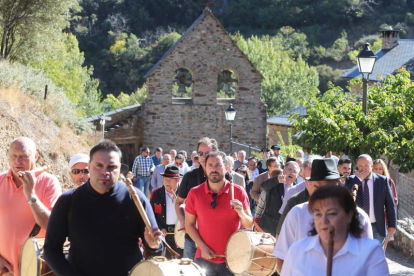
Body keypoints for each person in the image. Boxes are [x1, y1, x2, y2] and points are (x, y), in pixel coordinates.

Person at [44, 140, 163, 276]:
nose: (105, 172)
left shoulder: (136, 199)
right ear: (89, 167)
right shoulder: (68, 200)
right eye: (99, 166)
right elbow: (51, 250)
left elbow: (156, 248)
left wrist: (154, 246)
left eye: (111, 167)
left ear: (120, 168)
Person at [274, 158, 373, 274]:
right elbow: (282, 259)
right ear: (310, 186)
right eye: (317, 187)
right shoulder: (297, 215)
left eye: (328, 186)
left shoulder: (359, 218)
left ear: (339, 184)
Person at [281, 185, 389, 276]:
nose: (324, 220)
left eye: (331, 213)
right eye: (318, 214)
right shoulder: (297, 251)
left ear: (349, 215)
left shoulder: (371, 252)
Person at [0, 137, 62, 276]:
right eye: (13, 156)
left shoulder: (49, 183)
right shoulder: (0, 180)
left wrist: (31, 194)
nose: (18, 161)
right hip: (5, 270)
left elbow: (52, 225)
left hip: (36, 269)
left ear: (36, 156)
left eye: (23, 156)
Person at [185, 151, 252, 276]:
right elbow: (189, 224)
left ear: (227, 168)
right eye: (210, 165)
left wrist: (241, 212)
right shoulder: (194, 193)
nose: (213, 169)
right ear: (205, 168)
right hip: (203, 259)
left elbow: (249, 225)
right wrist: (202, 247)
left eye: (218, 165)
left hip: (232, 260)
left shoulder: (238, 192)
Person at [175, 137, 218, 260]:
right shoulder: (189, 177)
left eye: (207, 153)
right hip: (192, 237)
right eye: (200, 153)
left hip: (216, 238)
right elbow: (178, 202)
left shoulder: (224, 176)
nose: (203, 156)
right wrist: (183, 220)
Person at [345, 154, 397, 243]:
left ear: (372, 166)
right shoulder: (351, 180)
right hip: (357, 226)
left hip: (377, 226)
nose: (363, 168)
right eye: (360, 166)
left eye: (366, 165)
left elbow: (390, 204)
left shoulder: (382, 180)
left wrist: (392, 225)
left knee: (376, 255)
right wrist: (358, 180)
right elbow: (344, 197)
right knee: (360, 255)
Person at [255, 161, 299, 236]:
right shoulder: (276, 183)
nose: (291, 173)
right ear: (284, 170)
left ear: (297, 176)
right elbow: (264, 186)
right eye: (289, 170)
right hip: (267, 227)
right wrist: (276, 179)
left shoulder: (297, 189)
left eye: (294, 171)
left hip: (285, 230)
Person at [150, 165, 183, 257]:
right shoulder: (156, 194)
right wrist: (159, 227)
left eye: (170, 179)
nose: (167, 182)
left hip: (181, 233)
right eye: (165, 179)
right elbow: (151, 215)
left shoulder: (185, 194)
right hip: (163, 234)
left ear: (178, 180)